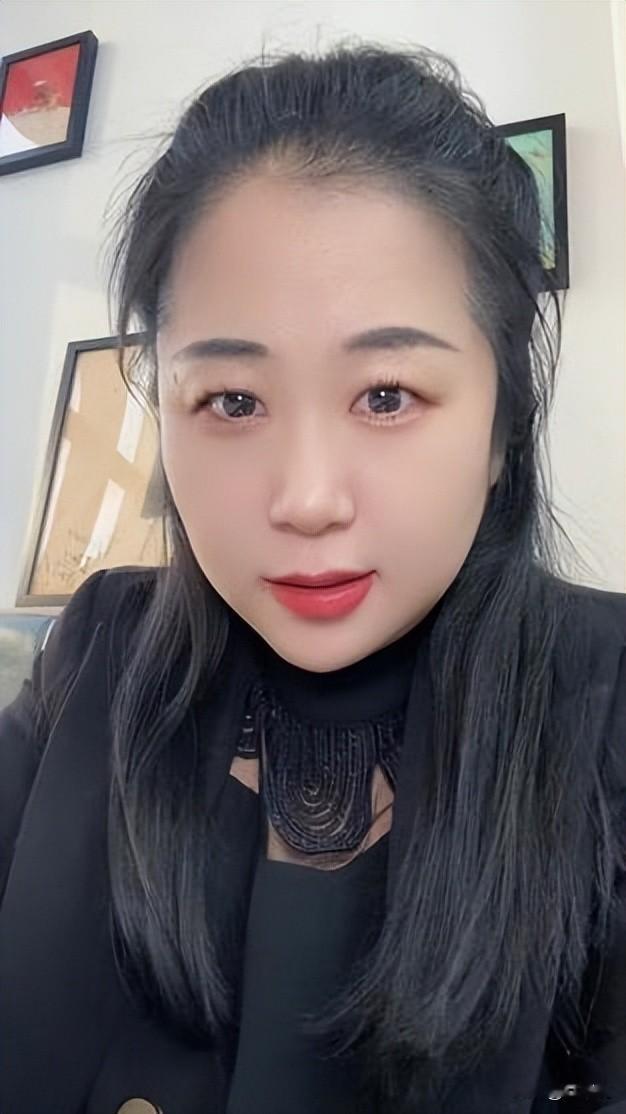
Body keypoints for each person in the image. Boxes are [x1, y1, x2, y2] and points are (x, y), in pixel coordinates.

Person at [0, 38, 624, 1114]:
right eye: (232, 401)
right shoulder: (101, 644)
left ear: (500, 427)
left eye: (386, 395)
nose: (304, 498)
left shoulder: (608, 698)